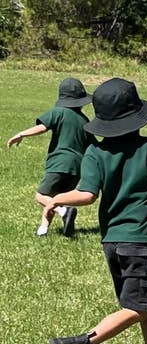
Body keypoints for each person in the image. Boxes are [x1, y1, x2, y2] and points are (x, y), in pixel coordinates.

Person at [45, 78, 147, 344]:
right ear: (137, 116)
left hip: (112, 242)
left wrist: (56, 198)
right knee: (137, 308)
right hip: (143, 240)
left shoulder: (95, 153)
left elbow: (85, 194)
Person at [7, 77, 96, 237]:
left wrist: (22, 134)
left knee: (41, 196)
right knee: (56, 197)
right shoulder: (85, 121)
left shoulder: (58, 112)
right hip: (77, 167)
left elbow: (42, 127)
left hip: (60, 163)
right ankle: (43, 229)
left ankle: (63, 212)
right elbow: (93, 146)